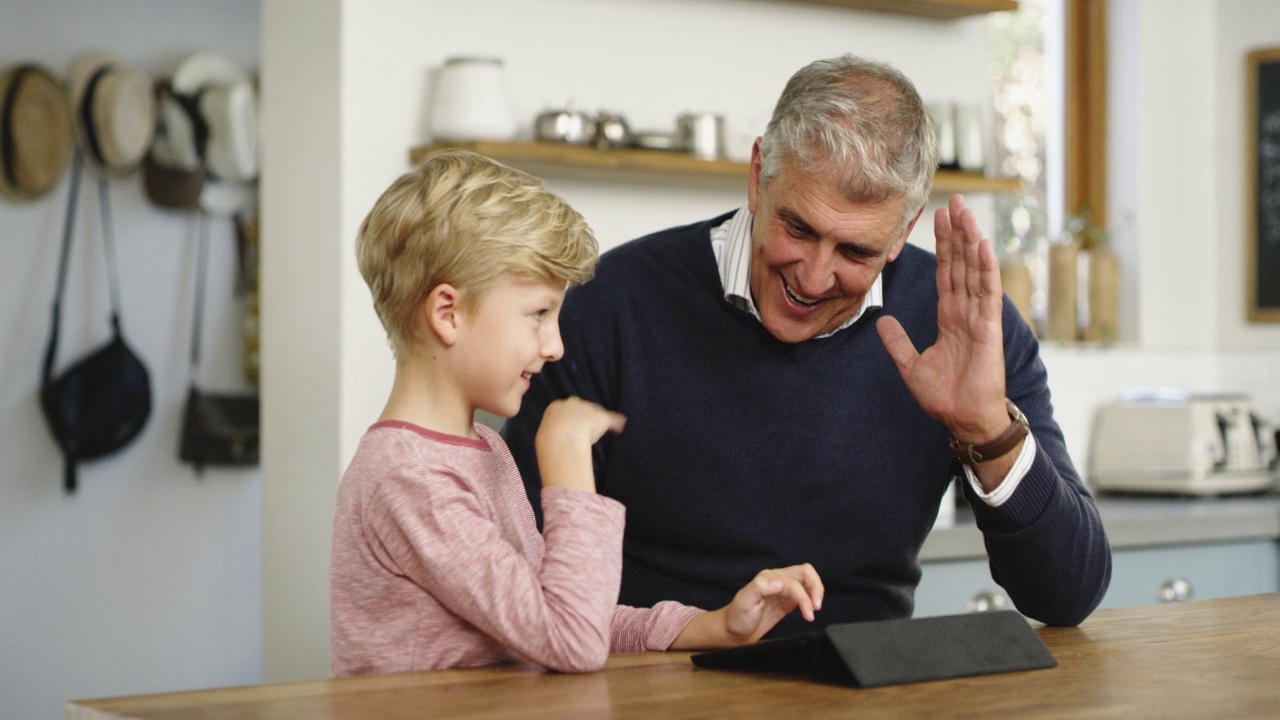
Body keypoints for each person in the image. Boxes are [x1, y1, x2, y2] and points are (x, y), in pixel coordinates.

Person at [503, 55, 1112, 636]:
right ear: (757, 175)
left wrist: (986, 431)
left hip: (866, 692)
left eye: (856, 252)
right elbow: (523, 588)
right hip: (651, 689)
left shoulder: (965, 328)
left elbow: (1068, 595)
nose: (814, 278)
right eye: (798, 228)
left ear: (905, 227)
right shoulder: (610, 305)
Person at [330, 149, 824, 676]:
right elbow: (572, 639)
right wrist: (567, 469)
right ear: (448, 313)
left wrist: (713, 626)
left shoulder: (481, 450)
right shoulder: (411, 482)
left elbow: (561, 608)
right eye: (538, 314)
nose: (556, 346)